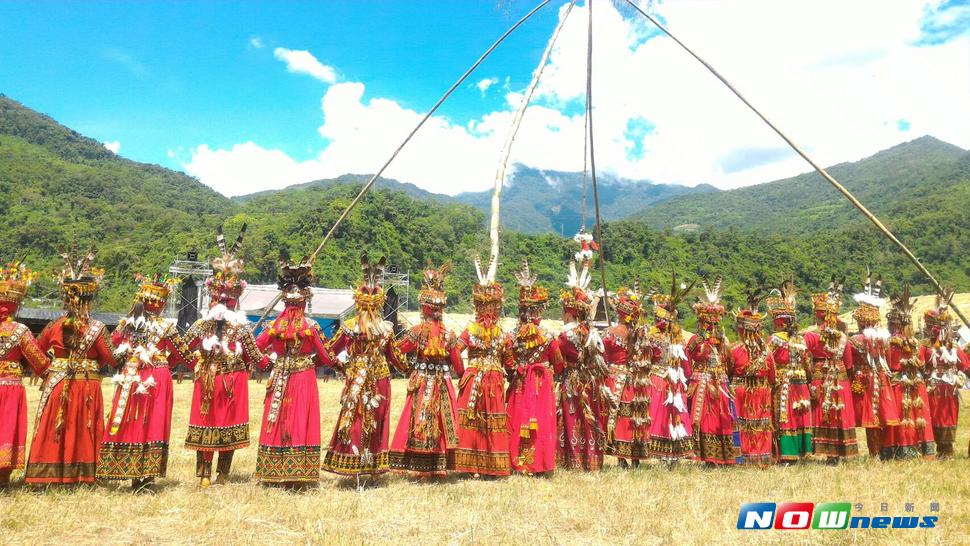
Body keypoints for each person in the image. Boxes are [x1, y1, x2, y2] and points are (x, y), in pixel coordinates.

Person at [27, 248, 119, 485]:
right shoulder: (97, 328)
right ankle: (81, 474)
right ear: (89, 299)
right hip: (85, 385)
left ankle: (46, 475)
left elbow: (35, 350)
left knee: (54, 427)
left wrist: (47, 371)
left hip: (57, 383)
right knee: (81, 428)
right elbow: (112, 358)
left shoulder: (53, 325)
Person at [182, 226, 262, 486]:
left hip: (212, 378)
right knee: (224, 423)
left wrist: (196, 362)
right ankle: (220, 474)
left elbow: (182, 351)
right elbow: (256, 357)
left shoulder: (203, 325)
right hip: (228, 381)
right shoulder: (240, 327)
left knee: (209, 422)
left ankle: (207, 474)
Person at [98, 274, 185, 489]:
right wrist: (168, 362)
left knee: (129, 419)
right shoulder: (166, 327)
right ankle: (146, 475)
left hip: (131, 374)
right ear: (162, 304)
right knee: (152, 422)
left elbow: (111, 346)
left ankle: (121, 468)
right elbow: (183, 354)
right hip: (157, 377)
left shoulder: (126, 324)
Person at [254, 257, 333, 486]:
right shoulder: (311, 327)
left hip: (280, 373)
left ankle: (273, 472)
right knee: (299, 418)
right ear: (305, 300)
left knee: (278, 417)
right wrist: (315, 362)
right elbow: (327, 356)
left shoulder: (273, 326)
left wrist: (267, 364)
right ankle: (298, 474)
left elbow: (254, 348)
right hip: (303, 376)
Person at [323, 254, 403, 477]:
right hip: (379, 378)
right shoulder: (385, 329)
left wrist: (340, 366)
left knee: (355, 416)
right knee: (376, 419)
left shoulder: (350, 327)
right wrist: (410, 368)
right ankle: (373, 467)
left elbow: (329, 351)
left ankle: (353, 463)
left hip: (356, 376)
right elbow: (397, 358)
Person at [390, 262, 464, 476]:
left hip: (422, 379)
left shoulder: (418, 331)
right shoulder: (449, 334)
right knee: (440, 418)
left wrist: (404, 367)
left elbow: (397, 349)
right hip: (442, 381)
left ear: (424, 308)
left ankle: (416, 464)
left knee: (417, 416)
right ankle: (438, 465)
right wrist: (463, 376)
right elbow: (457, 363)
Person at [452, 256, 512, 477]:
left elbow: (455, 351)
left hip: (473, 377)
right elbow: (509, 361)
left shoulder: (470, 332)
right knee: (489, 419)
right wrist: (511, 373)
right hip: (493, 379)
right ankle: (490, 466)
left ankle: (470, 467)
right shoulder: (503, 334)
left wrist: (463, 372)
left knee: (472, 418)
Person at [505, 260, 563, 475]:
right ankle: (539, 463)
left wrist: (515, 370)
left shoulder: (512, 335)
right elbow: (558, 363)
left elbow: (508, 361)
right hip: (541, 383)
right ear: (538, 311)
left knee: (517, 416)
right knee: (541, 419)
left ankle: (518, 462)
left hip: (520, 381)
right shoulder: (548, 336)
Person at [556, 260, 611, 471]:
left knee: (573, 416)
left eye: (563, 313)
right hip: (591, 381)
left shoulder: (565, 336)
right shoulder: (593, 334)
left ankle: (574, 460)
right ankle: (592, 459)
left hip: (572, 381)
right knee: (590, 416)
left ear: (569, 313)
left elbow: (558, 361)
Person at [0, 261, 48, 486]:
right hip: (10, 386)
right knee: (6, 426)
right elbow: (39, 362)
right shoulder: (20, 331)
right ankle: (2, 476)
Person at [685, 277, 740, 466]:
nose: (712, 328)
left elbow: (729, 361)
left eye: (715, 324)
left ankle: (723, 456)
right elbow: (695, 355)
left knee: (722, 418)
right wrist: (706, 341)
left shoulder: (723, 342)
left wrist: (721, 344)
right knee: (705, 419)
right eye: (709, 325)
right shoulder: (696, 340)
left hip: (720, 382)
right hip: (703, 382)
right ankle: (707, 457)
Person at [847, 269, 899, 457]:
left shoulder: (854, 341)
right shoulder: (884, 339)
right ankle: (884, 450)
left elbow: (849, 363)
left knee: (872, 417)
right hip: (881, 378)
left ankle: (875, 452)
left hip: (864, 379)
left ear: (860, 322)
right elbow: (890, 362)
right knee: (882, 415)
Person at [805, 277, 857, 462]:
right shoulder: (842, 337)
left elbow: (804, 357)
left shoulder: (811, 335)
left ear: (818, 315)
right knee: (839, 412)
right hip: (840, 377)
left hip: (819, 376)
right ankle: (840, 451)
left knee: (822, 411)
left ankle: (824, 449)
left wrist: (808, 375)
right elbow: (849, 363)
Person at [881, 285, 935, 459]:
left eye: (891, 324)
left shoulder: (890, 343)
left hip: (898, 384)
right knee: (917, 414)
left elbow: (887, 364)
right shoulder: (916, 343)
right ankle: (921, 449)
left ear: (895, 324)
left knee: (902, 415)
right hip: (916, 383)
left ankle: (900, 450)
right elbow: (922, 365)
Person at [645, 274, 696, 462]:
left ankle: (656, 449)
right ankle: (676, 450)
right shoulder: (680, 339)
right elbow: (686, 366)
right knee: (674, 413)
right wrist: (686, 380)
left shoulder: (652, 337)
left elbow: (646, 360)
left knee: (657, 414)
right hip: (675, 381)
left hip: (657, 379)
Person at [766, 278, 813, 462]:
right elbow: (807, 363)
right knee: (801, 414)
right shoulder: (801, 339)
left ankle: (787, 453)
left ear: (778, 322)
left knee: (785, 415)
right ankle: (803, 451)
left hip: (783, 382)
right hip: (801, 382)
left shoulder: (774, 339)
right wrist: (809, 380)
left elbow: (768, 361)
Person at [727, 288, 775, 465]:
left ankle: (742, 458)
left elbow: (728, 372)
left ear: (740, 329)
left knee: (742, 425)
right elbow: (772, 377)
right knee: (760, 425)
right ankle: (761, 456)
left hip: (740, 391)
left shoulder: (733, 349)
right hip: (762, 392)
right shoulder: (766, 351)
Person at [919, 289, 969, 458]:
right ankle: (937, 448)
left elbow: (965, 366)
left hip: (948, 389)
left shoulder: (953, 347)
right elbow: (919, 366)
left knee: (948, 416)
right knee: (933, 416)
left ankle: (946, 449)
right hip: (932, 388)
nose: (931, 329)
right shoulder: (925, 346)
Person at [603, 284, 649, 468]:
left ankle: (620, 458)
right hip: (633, 380)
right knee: (632, 417)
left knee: (617, 417)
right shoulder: (639, 334)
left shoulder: (610, 333)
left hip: (614, 377)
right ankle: (635, 457)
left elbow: (603, 354)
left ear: (620, 313)